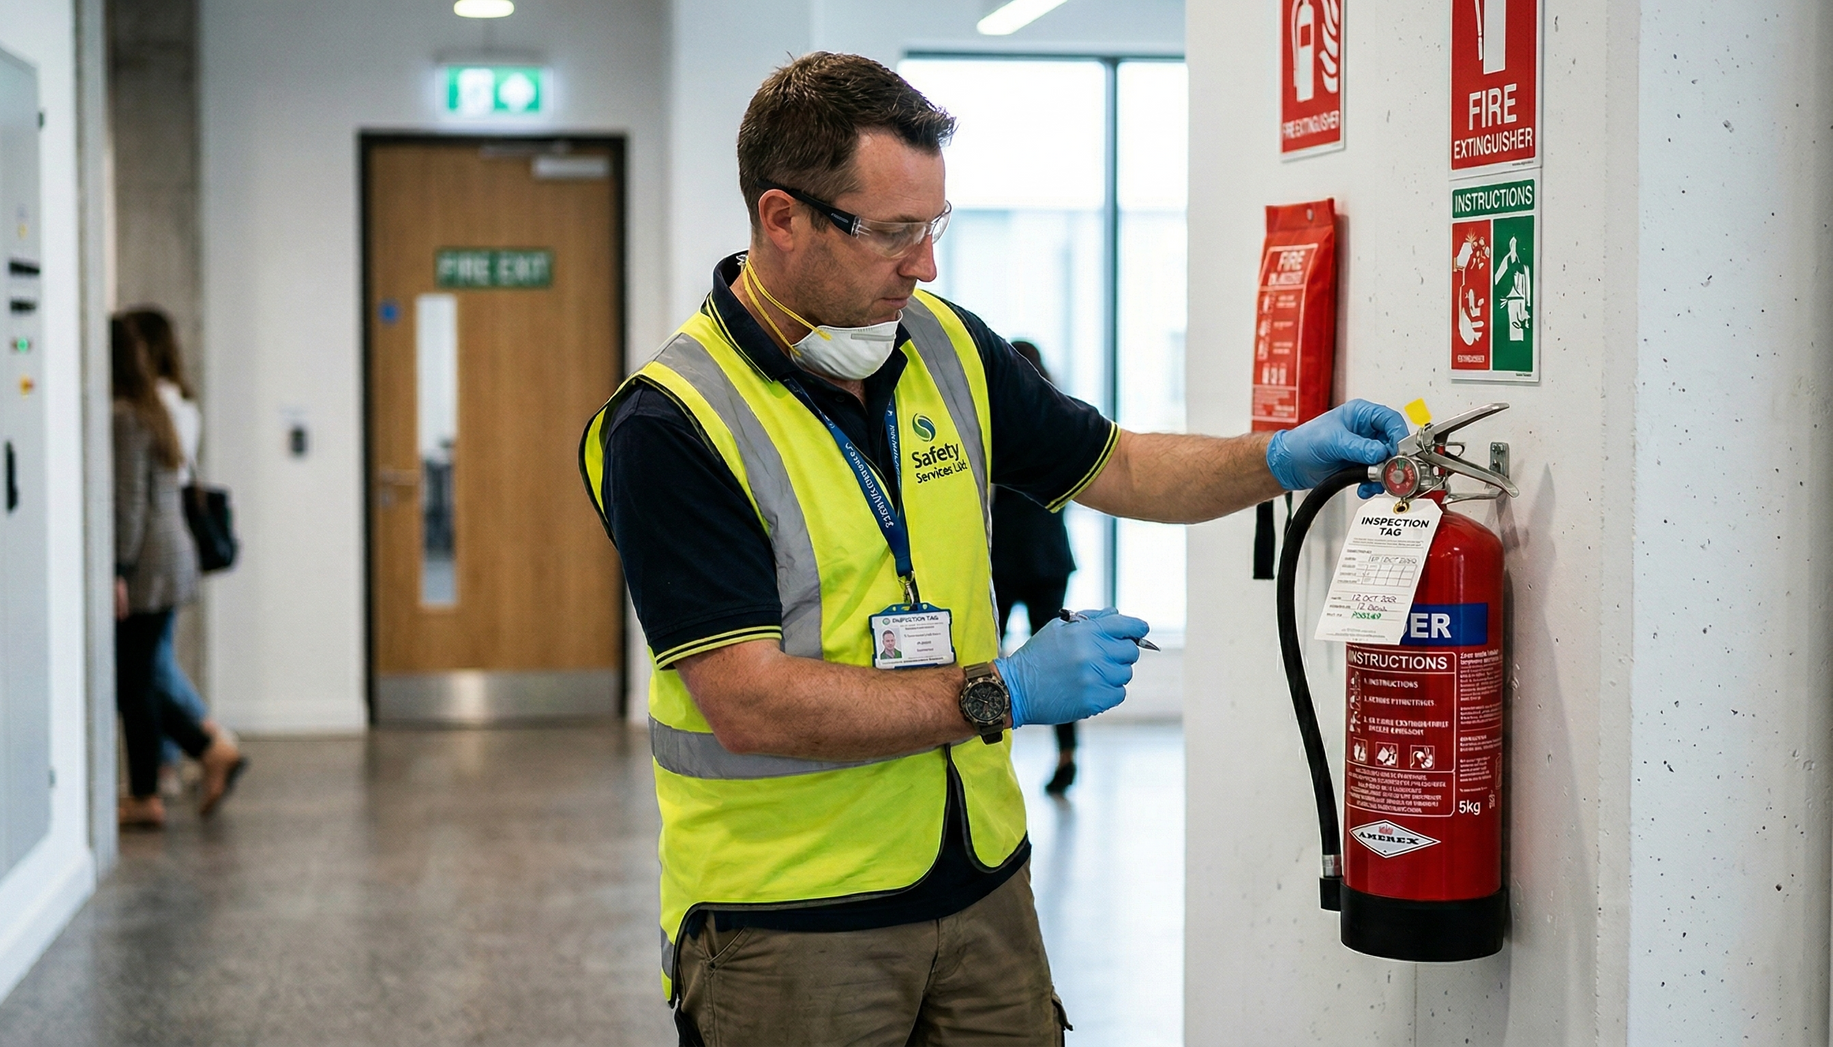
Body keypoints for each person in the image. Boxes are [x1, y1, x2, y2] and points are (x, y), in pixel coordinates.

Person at [580, 52, 1407, 1045]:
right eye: (890, 232)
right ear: (781, 218)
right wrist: (1001, 694)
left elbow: (1122, 466)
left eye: (933, 226)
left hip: (980, 886)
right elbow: (746, 702)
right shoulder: (672, 423)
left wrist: (1278, 457)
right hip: (790, 923)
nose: (923, 264)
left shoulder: (943, 345)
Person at [113, 318, 245, 828]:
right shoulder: (164, 410)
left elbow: (128, 504)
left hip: (147, 560)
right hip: (170, 554)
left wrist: (118, 569)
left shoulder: (128, 416)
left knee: (135, 677)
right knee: (139, 675)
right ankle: (197, 755)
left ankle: (170, 774)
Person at [121, 307, 217, 795]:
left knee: (148, 667)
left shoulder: (148, 408)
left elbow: (135, 495)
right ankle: (171, 760)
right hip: (173, 538)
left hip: (156, 544)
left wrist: (120, 565)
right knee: (154, 660)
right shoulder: (181, 401)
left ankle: (209, 743)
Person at [990, 339, 1082, 796]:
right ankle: (1067, 754)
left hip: (1005, 559)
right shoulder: (1056, 423)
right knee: (1055, 658)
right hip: (1048, 559)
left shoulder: (997, 425)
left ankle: (989, 747)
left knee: (990, 658)